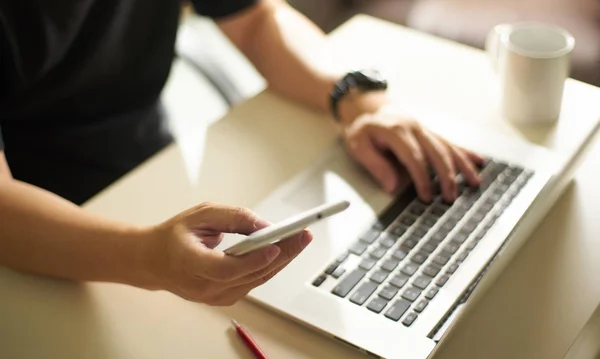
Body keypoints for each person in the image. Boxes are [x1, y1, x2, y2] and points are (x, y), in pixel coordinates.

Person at [0, 0, 483, 306]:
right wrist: (148, 258)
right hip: (41, 244)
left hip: (152, 171)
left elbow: (255, 18)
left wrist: (357, 100)